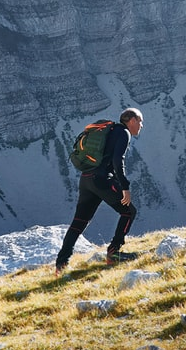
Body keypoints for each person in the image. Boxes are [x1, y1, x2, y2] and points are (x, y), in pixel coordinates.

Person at [55, 108, 144, 276]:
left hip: (86, 179)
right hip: (102, 180)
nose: (141, 125)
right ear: (131, 120)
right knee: (129, 212)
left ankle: (61, 264)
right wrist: (125, 186)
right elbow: (118, 161)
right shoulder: (124, 133)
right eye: (140, 121)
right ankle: (114, 253)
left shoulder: (109, 130)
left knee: (79, 221)